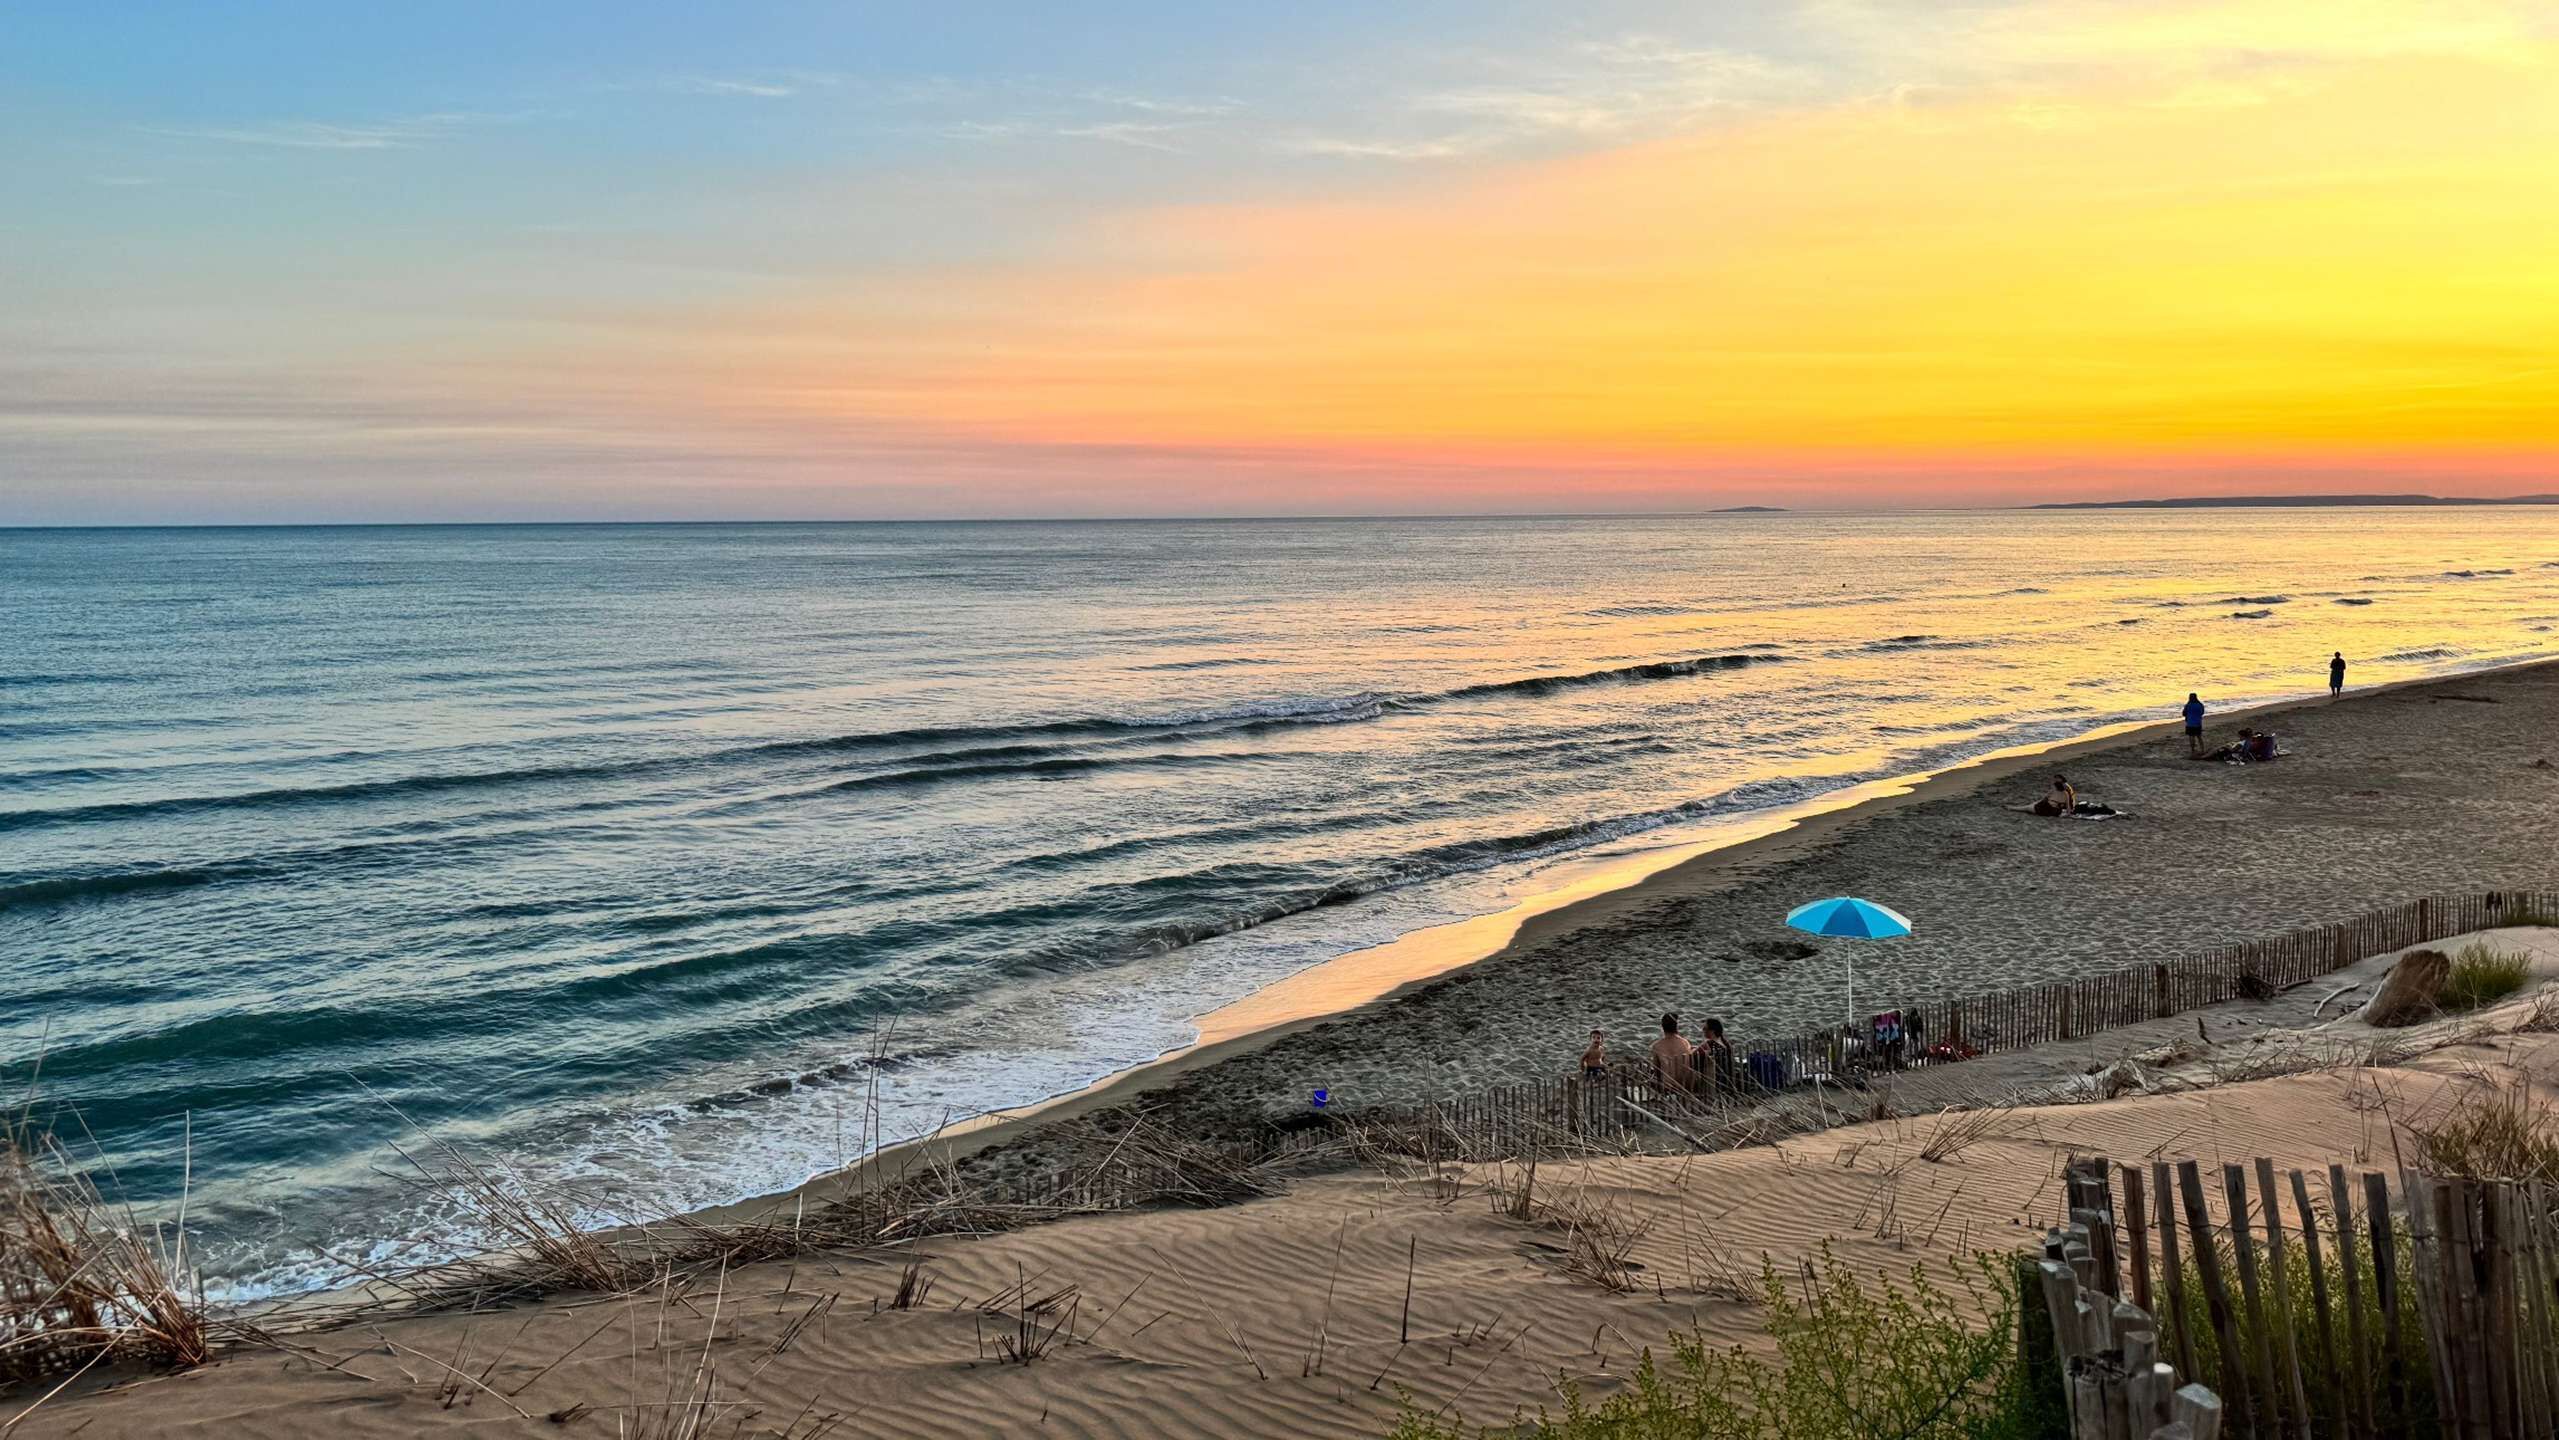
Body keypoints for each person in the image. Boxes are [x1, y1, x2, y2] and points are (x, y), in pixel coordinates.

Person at [1650, 1012, 1693, 1090]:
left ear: (1662, 1027)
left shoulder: (1657, 1046)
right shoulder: (1685, 1042)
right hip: (1685, 1084)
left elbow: (1657, 1072)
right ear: (1676, 1027)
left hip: (1667, 1087)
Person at [2182, 693, 2206, 757]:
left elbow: (2184, 713)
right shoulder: (2200, 705)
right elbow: (2202, 713)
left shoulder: (2188, 705)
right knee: (2199, 736)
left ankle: (2192, 750)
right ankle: (2202, 749)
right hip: (2198, 723)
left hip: (2190, 723)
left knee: (2191, 737)